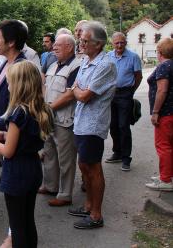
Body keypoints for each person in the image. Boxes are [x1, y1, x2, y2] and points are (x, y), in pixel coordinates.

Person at [0, 60, 52, 248]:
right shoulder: (41, 109)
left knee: (17, 226)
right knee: (28, 221)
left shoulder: (18, 113)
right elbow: (27, 138)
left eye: (9, 82)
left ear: (19, 84)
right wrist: (4, 134)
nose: (8, 86)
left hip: (17, 173)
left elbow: (8, 151)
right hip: (33, 169)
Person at [70, 21, 117, 229]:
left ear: (98, 44)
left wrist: (79, 92)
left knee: (93, 167)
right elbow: (75, 88)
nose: (81, 43)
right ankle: (88, 205)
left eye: (85, 41)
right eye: (81, 40)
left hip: (93, 124)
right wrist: (78, 91)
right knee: (84, 165)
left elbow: (83, 95)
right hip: (80, 123)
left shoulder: (105, 65)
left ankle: (96, 215)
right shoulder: (87, 62)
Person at [39, 34, 80, 207]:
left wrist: (49, 108)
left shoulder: (76, 66)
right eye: (54, 45)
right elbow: (45, 87)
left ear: (69, 47)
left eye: (58, 45)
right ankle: (51, 185)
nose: (54, 48)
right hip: (49, 117)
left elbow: (70, 94)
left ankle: (65, 194)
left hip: (64, 119)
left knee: (65, 158)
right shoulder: (53, 64)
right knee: (49, 153)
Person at [105, 32, 143, 171]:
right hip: (111, 94)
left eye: (122, 42)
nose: (119, 45)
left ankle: (126, 158)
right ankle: (117, 152)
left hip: (125, 94)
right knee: (113, 125)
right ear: (112, 43)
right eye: (117, 43)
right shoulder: (108, 56)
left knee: (123, 126)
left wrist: (131, 91)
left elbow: (138, 76)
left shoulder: (133, 57)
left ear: (125, 42)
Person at [145, 38, 173, 191]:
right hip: (172, 112)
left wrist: (155, 111)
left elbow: (162, 90)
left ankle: (165, 180)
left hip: (166, 112)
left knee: (163, 146)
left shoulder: (164, 66)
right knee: (171, 145)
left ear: (160, 52)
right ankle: (169, 175)